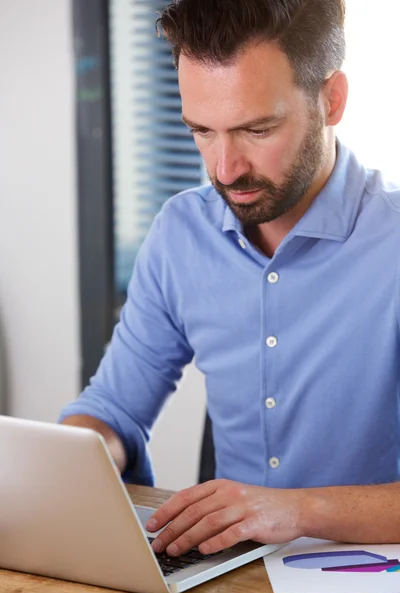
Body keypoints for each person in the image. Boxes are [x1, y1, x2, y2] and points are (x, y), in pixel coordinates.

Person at [59, 0, 400, 558]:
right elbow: (114, 410)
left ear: (332, 100)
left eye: (256, 129)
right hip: (227, 575)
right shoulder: (180, 234)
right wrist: (64, 467)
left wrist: (291, 510)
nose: (224, 169)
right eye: (201, 131)